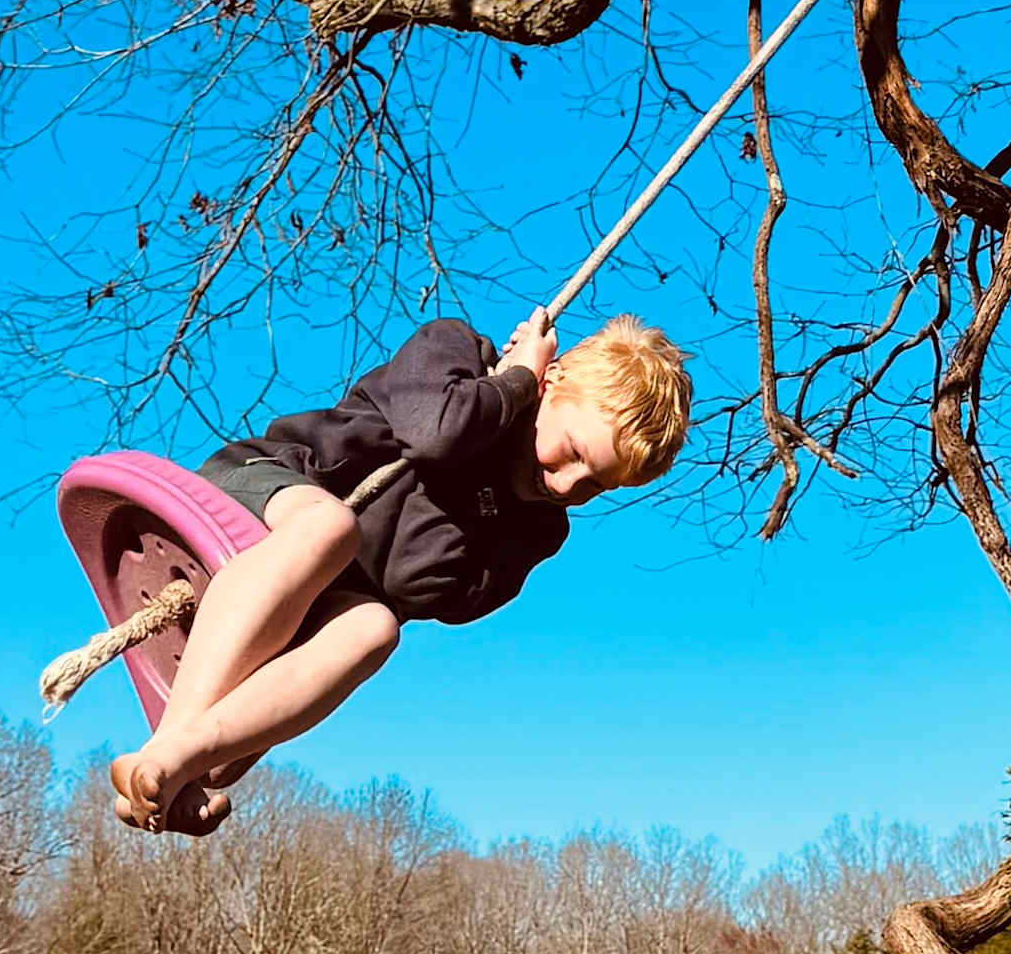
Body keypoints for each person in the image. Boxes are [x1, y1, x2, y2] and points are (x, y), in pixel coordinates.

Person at [108, 305, 692, 835]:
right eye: (574, 451)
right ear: (551, 378)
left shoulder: (536, 530)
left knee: (375, 628)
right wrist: (512, 385)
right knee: (330, 528)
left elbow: (426, 592)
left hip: (323, 595)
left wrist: (494, 503)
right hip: (269, 489)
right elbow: (432, 434)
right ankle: (172, 743)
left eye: (595, 485)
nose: (567, 486)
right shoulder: (458, 353)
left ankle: (183, 759)